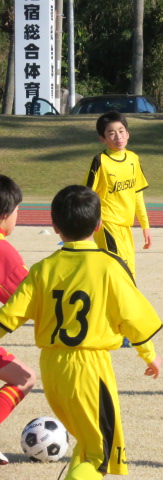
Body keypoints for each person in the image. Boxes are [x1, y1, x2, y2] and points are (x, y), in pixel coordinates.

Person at [0, 185, 162, 479]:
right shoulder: (110, 267)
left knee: (87, 446)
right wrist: (149, 355)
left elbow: (8, 317)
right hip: (89, 368)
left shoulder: (43, 269)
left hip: (52, 369)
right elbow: (134, 319)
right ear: (99, 225)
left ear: (55, 226)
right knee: (101, 457)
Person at [84, 111, 151, 278]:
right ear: (103, 139)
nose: (118, 137)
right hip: (107, 224)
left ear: (128, 134)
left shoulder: (133, 159)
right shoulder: (100, 161)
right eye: (111, 133)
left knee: (129, 271)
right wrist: (90, 222)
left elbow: (137, 195)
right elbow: (87, 195)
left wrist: (145, 226)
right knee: (116, 269)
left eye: (121, 131)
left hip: (125, 226)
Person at [0, 175, 36, 466]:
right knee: (24, 378)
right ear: (4, 214)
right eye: (17, 210)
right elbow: (28, 299)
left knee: (23, 376)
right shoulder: (3, 251)